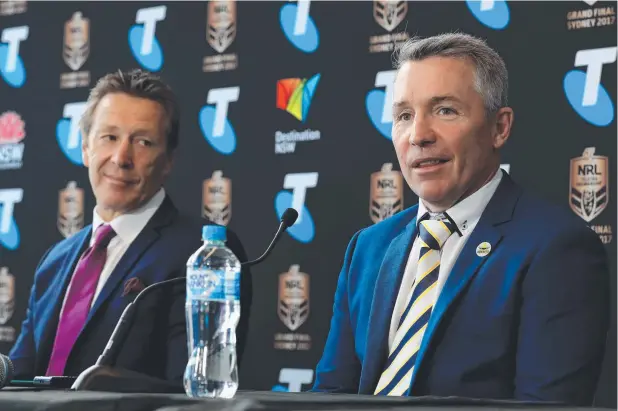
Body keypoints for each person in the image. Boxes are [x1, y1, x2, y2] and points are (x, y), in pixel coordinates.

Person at [312, 33, 609, 405]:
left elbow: (545, 406)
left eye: (445, 110)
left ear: (499, 127)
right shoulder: (369, 247)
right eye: (404, 116)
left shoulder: (555, 248)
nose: (418, 135)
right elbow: (329, 396)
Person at [9, 69, 253, 383]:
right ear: (85, 148)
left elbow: (197, 391)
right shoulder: (54, 262)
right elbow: (17, 377)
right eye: (109, 137)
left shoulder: (202, 255)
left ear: (168, 161)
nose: (121, 157)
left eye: (143, 142)